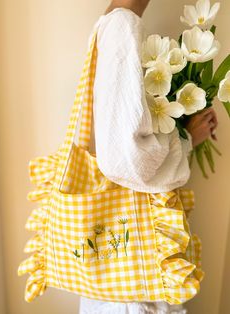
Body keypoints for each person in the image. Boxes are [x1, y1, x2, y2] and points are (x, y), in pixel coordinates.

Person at [79, 0, 218, 313]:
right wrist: (185, 138)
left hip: (120, 276)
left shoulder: (111, 26)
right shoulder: (121, 26)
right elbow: (124, 159)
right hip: (132, 287)